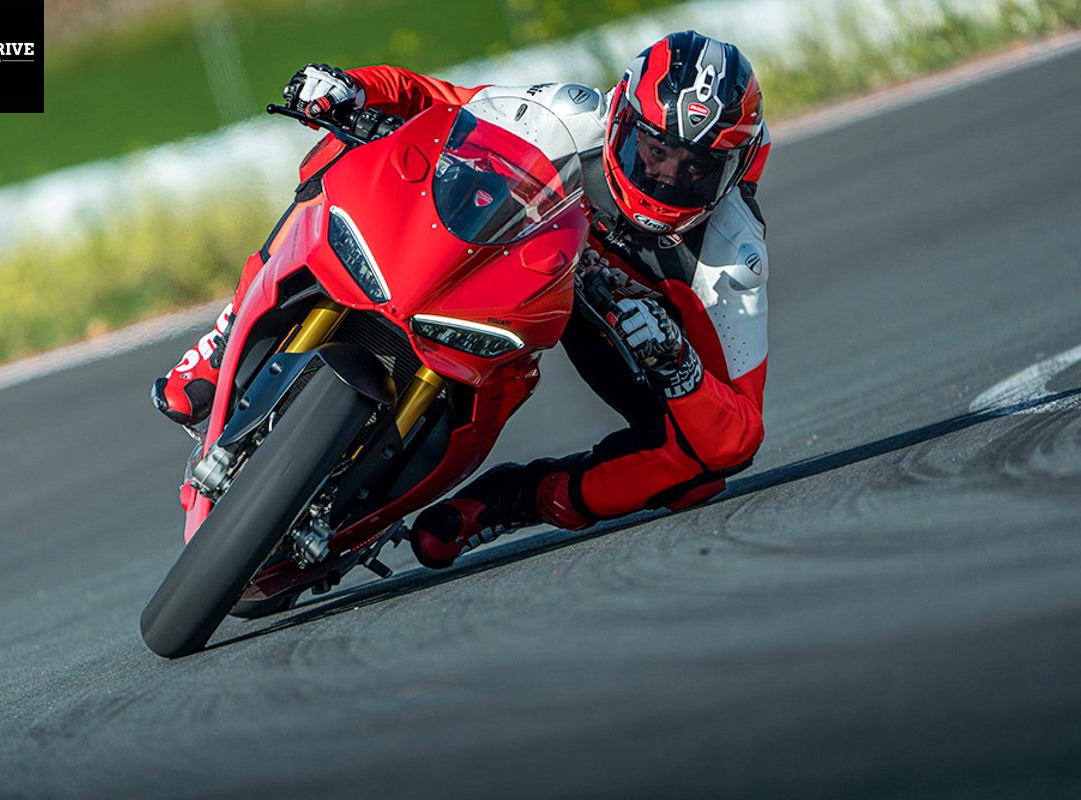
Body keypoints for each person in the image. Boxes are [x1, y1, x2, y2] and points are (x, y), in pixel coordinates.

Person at [152, 31, 771, 570]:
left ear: (735, 166)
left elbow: (740, 430)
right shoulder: (567, 115)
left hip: (624, 329)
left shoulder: (732, 255)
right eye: (655, 149)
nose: (666, 178)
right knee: (348, 148)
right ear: (622, 117)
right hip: (519, 266)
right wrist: (355, 89)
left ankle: (512, 500)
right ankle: (224, 339)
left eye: (697, 168)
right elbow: (439, 102)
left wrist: (677, 364)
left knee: (701, 472)